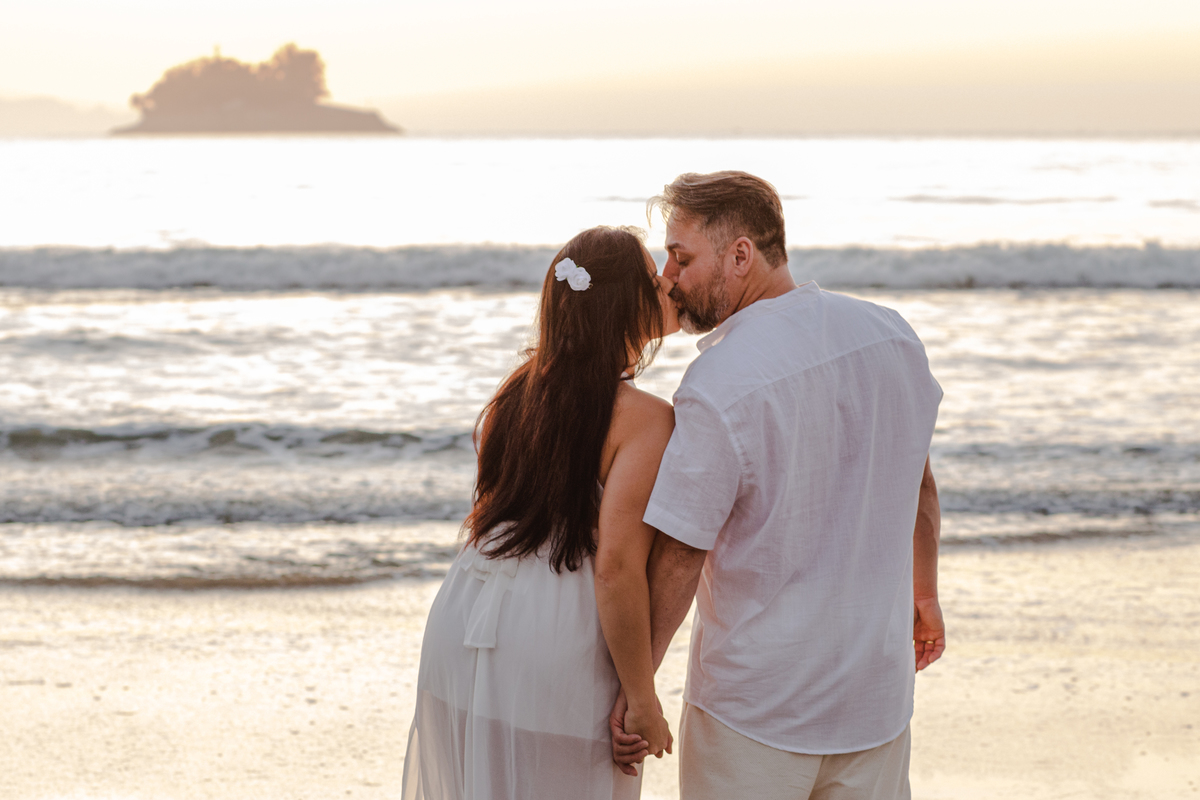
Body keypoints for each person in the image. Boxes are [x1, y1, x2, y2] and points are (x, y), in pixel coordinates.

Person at [611, 171, 945, 800]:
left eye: (681, 258)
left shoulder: (719, 382)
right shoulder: (893, 335)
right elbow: (918, 485)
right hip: (875, 699)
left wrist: (637, 688)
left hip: (756, 713)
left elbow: (681, 555)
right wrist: (924, 594)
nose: (667, 277)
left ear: (741, 255)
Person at [402, 225, 681, 800]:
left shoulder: (512, 396)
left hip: (463, 615)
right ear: (624, 304)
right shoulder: (646, 418)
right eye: (654, 280)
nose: (668, 286)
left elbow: (493, 515)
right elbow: (616, 567)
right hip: (555, 627)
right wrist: (642, 697)